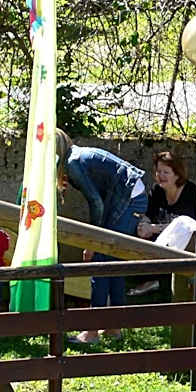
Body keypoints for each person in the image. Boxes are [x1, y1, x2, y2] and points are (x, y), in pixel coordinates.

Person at [56, 129, 147, 344]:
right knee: (113, 261)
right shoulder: (75, 157)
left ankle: (92, 331)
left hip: (129, 197)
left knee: (101, 261)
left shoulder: (73, 163)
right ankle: (114, 328)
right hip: (131, 194)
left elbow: (96, 203)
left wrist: (93, 241)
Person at [131, 150, 196, 296]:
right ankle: (154, 280)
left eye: (166, 172)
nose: (160, 176)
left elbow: (185, 228)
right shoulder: (157, 190)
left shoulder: (192, 194)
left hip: (191, 243)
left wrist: (153, 229)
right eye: (158, 171)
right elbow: (148, 213)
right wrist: (144, 225)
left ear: (177, 174)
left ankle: (160, 282)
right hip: (163, 242)